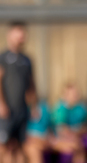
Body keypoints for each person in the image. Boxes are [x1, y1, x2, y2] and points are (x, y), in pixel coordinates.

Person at [0, 21, 38, 163]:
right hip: (6, 111)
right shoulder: (3, 58)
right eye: (18, 32)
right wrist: (1, 104)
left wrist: (34, 105)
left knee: (19, 146)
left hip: (22, 110)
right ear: (10, 35)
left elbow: (32, 84)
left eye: (23, 33)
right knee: (3, 146)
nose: (21, 36)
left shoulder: (27, 60)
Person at [50, 83, 87, 163]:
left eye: (76, 93)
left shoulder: (81, 108)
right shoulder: (60, 109)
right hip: (57, 139)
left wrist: (76, 133)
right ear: (64, 95)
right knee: (69, 150)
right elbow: (61, 131)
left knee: (79, 148)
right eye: (71, 94)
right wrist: (76, 133)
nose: (74, 96)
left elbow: (86, 128)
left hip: (76, 138)